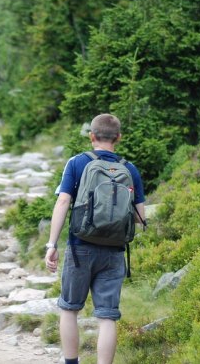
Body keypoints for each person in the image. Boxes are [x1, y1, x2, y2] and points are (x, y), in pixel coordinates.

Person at [44, 113, 146, 364]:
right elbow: (139, 218)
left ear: (92, 136)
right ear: (118, 138)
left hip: (80, 248)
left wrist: (52, 244)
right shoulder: (130, 169)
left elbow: (64, 201)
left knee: (69, 308)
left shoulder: (77, 163)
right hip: (114, 252)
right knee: (107, 316)